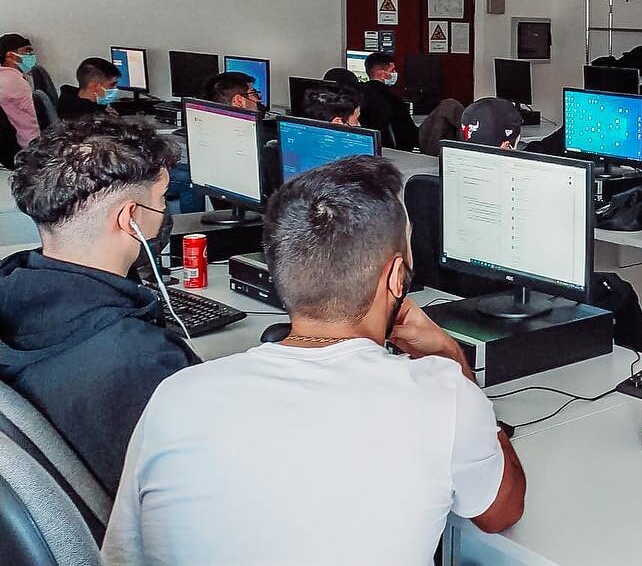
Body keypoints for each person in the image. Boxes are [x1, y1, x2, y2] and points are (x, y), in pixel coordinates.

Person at [103, 157, 525, 563]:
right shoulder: (443, 395)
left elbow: (123, 555)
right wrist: (452, 357)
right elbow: (501, 512)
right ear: (397, 277)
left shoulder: (176, 396)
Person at [0, 119, 197, 495]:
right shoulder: (140, 358)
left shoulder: (14, 291)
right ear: (130, 219)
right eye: (161, 200)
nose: (164, 213)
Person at [359, 51, 420, 150]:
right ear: (381, 74)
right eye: (392, 70)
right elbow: (411, 134)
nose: (395, 74)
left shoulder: (357, 94)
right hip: (397, 150)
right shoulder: (393, 100)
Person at [0, 33, 40, 148]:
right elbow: (37, 113)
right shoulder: (11, 80)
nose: (31, 56)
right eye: (27, 52)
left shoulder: (7, 76)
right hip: (33, 141)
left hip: (24, 138)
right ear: (10, 56)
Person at [57, 57, 122, 120]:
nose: (115, 88)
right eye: (112, 85)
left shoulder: (69, 97)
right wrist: (113, 120)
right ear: (93, 87)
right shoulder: (85, 118)